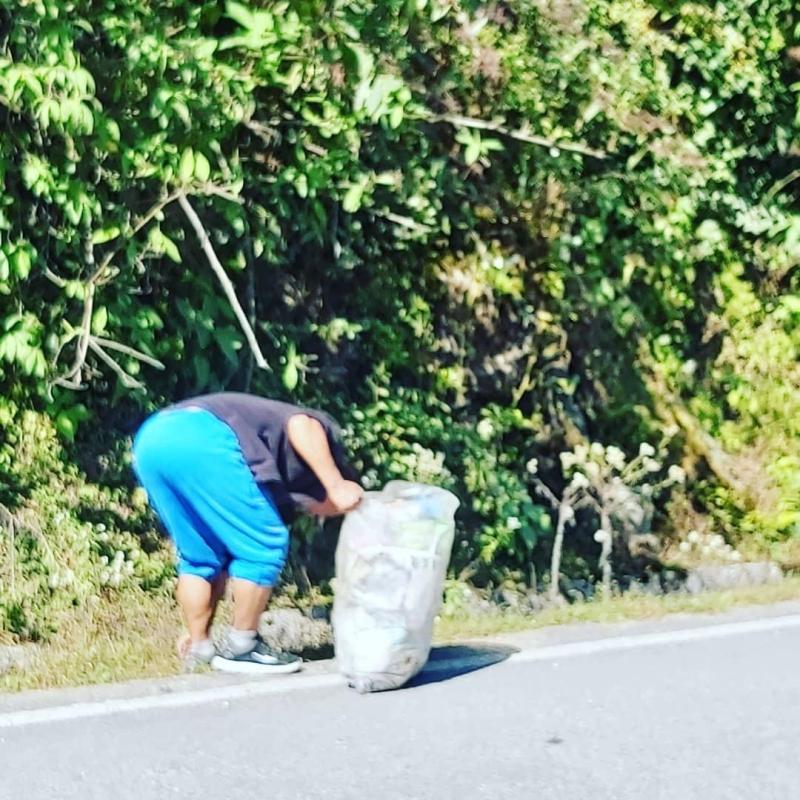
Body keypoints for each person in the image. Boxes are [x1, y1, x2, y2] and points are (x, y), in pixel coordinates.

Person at [132, 392, 363, 674]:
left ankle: (199, 647)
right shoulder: (316, 436)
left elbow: (310, 504)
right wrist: (337, 484)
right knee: (264, 546)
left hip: (152, 438)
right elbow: (303, 423)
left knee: (201, 558)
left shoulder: (278, 479)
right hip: (203, 434)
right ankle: (243, 647)